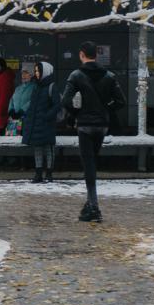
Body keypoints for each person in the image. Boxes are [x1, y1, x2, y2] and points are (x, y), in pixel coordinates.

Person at [61, 41, 126, 223]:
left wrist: (76, 113)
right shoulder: (109, 75)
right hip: (102, 125)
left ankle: (93, 206)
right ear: (96, 55)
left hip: (85, 125)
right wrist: (106, 108)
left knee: (88, 164)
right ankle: (90, 205)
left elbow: (65, 101)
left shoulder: (76, 75)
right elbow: (120, 101)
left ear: (82, 54)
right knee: (93, 162)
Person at [22, 62, 61, 183]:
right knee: (37, 148)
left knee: (49, 148)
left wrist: (47, 116)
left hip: (47, 123)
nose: (37, 73)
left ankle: (49, 174)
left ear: (46, 71)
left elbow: (57, 105)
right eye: (36, 71)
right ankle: (38, 173)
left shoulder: (52, 86)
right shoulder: (36, 86)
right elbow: (33, 105)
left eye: (39, 71)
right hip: (36, 123)